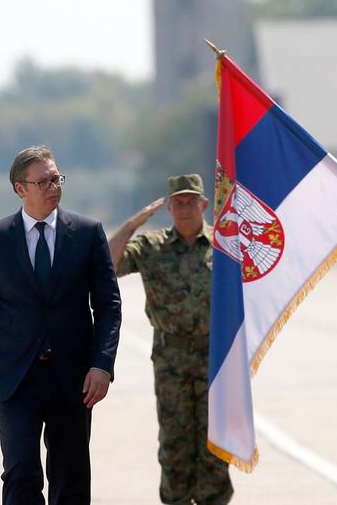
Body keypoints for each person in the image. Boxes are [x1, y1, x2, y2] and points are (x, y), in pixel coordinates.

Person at [0, 145, 122, 504]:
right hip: (15, 378)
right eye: (43, 182)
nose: (54, 187)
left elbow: (108, 305)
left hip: (74, 379)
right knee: (21, 475)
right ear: (20, 189)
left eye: (57, 179)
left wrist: (102, 364)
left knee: (71, 478)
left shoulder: (89, 234)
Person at [109, 174, 232, 505]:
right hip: (171, 361)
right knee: (175, 446)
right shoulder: (152, 247)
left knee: (216, 447)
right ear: (168, 207)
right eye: (178, 202)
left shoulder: (225, 246)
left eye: (192, 201)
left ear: (204, 205)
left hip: (215, 359)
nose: (185, 208)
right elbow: (109, 263)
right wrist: (132, 225)